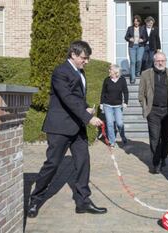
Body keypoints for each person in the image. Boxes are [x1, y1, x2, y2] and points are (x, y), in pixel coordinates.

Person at [27, 40, 107, 218]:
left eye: (87, 58)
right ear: (73, 54)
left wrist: (86, 108)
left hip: (77, 127)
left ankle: (83, 202)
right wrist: (88, 117)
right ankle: (35, 199)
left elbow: (77, 98)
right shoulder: (60, 72)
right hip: (60, 127)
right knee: (52, 164)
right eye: (84, 58)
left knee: (83, 162)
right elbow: (67, 98)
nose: (86, 61)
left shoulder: (80, 72)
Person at [138, 52, 168, 174]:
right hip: (153, 112)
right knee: (154, 138)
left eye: (162, 60)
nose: (160, 63)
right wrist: (146, 108)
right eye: (158, 61)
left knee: (167, 138)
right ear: (154, 61)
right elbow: (141, 95)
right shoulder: (146, 74)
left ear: (165, 61)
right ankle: (156, 163)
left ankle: (163, 157)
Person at [100, 64, 129, 148]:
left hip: (118, 106)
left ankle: (123, 136)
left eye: (110, 70)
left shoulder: (122, 80)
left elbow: (126, 92)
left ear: (116, 72)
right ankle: (112, 142)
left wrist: (126, 102)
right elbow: (103, 92)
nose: (109, 71)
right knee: (109, 123)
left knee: (119, 123)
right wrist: (101, 103)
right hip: (107, 105)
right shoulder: (107, 80)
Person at [125, 15, 147, 84]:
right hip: (132, 47)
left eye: (137, 21)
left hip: (140, 46)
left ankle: (137, 72)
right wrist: (129, 39)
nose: (136, 22)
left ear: (139, 22)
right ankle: (133, 78)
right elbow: (126, 37)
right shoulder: (130, 28)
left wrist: (142, 40)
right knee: (132, 62)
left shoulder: (143, 29)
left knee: (139, 60)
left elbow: (146, 38)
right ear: (133, 22)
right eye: (135, 21)